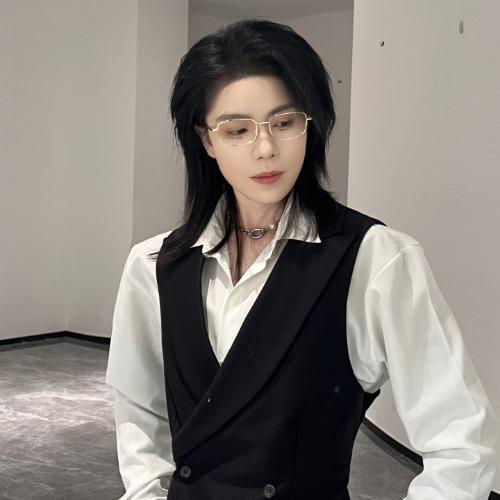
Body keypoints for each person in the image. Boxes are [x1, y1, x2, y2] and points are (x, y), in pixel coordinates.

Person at [105, 18, 497, 500]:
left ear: (311, 124)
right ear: (206, 141)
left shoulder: (374, 259)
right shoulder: (154, 265)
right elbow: (140, 417)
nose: (265, 148)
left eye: (285, 122)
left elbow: (462, 442)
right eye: (237, 130)